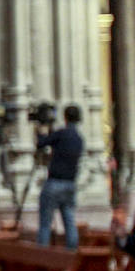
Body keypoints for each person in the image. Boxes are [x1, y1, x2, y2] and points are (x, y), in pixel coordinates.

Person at [35, 104, 85, 249]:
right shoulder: (79, 138)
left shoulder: (62, 133)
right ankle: (72, 253)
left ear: (65, 118)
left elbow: (41, 143)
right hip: (70, 184)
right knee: (69, 222)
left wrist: (41, 130)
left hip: (55, 183)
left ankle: (42, 254)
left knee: (45, 223)